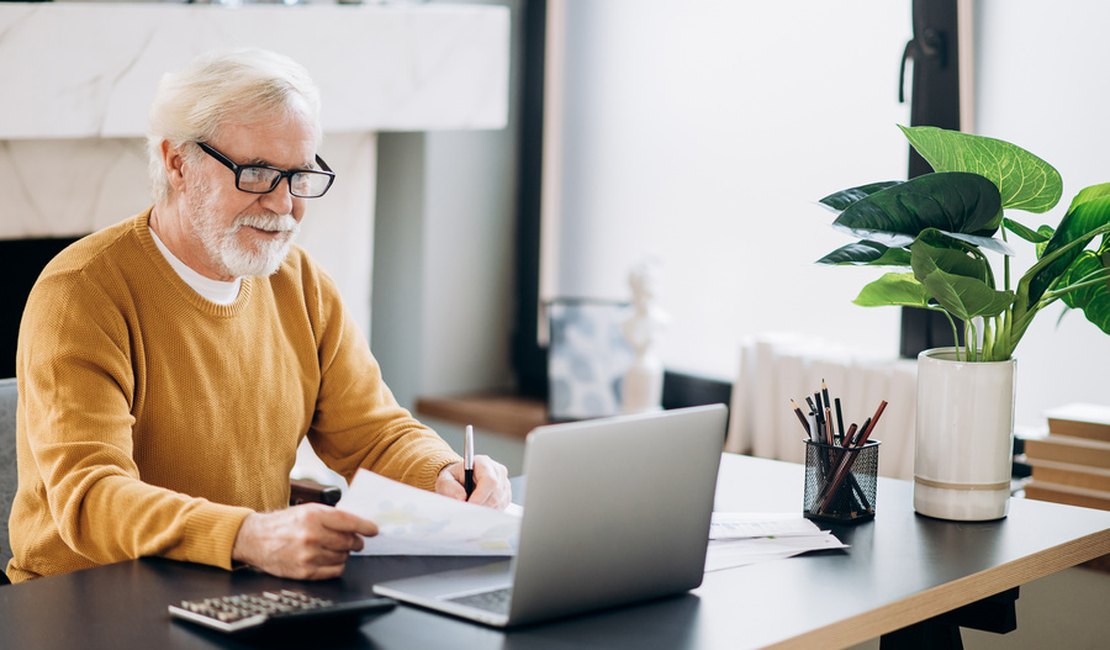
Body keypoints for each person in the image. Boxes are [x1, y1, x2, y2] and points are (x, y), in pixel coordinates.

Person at [6, 48, 510, 584]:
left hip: (235, 585)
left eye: (300, 175)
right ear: (178, 163)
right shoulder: (81, 292)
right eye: (258, 173)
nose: (284, 204)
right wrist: (249, 535)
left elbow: (372, 434)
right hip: (86, 602)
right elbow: (92, 498)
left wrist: (445, 473)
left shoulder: (301, 283)